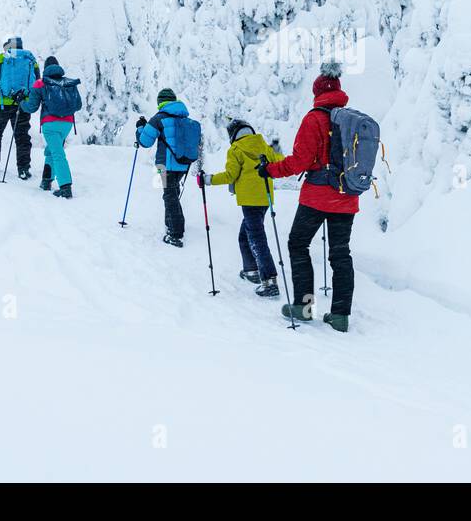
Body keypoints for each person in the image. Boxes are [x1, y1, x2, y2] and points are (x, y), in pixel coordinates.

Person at [257, 63, 356, 332]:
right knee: (340, 254)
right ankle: (340, 315)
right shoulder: (349, 118)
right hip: (346, 197)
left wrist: (269, 170)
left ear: (317, 92)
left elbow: (299, 162)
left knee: (298, 244)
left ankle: (304, 306)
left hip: (316, 197)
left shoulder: (314, 119)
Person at [199, 120, 285, 298]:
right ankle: (251, 270)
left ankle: (269, 281)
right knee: (245, 235)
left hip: (249, 200)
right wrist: (276, 150)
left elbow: (230, 175)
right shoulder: (262, 145)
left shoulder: (236, 150)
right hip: (265, 199)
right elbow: (279, 162)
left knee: (256, 239)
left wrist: (208, 180)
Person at [136, 88, 201, 248]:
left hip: (164, 164)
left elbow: (145, 142)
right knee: (172, 193)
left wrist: (140, 129)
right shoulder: (185, 119)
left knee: (169, 195)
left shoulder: (158, 119)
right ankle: (170, 223)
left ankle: (175, 234)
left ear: (160, 102)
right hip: (183, 164)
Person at [20, 56, 79, 199]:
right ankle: (46, 181)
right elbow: (78, 105)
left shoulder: (40, 83)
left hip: (50, 124)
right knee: (52, 151)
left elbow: (32, 107)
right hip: (67, 124)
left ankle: (65, 187)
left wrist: (21, 102)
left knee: (57, 153)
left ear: (45, 68)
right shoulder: (67, 82)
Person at [0, 37, 39, 178]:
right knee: (22, 137)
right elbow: (37, 81)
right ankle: (23, 169)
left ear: (8, 47)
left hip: (2, 104)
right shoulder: (30, 59)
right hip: (22, 104)